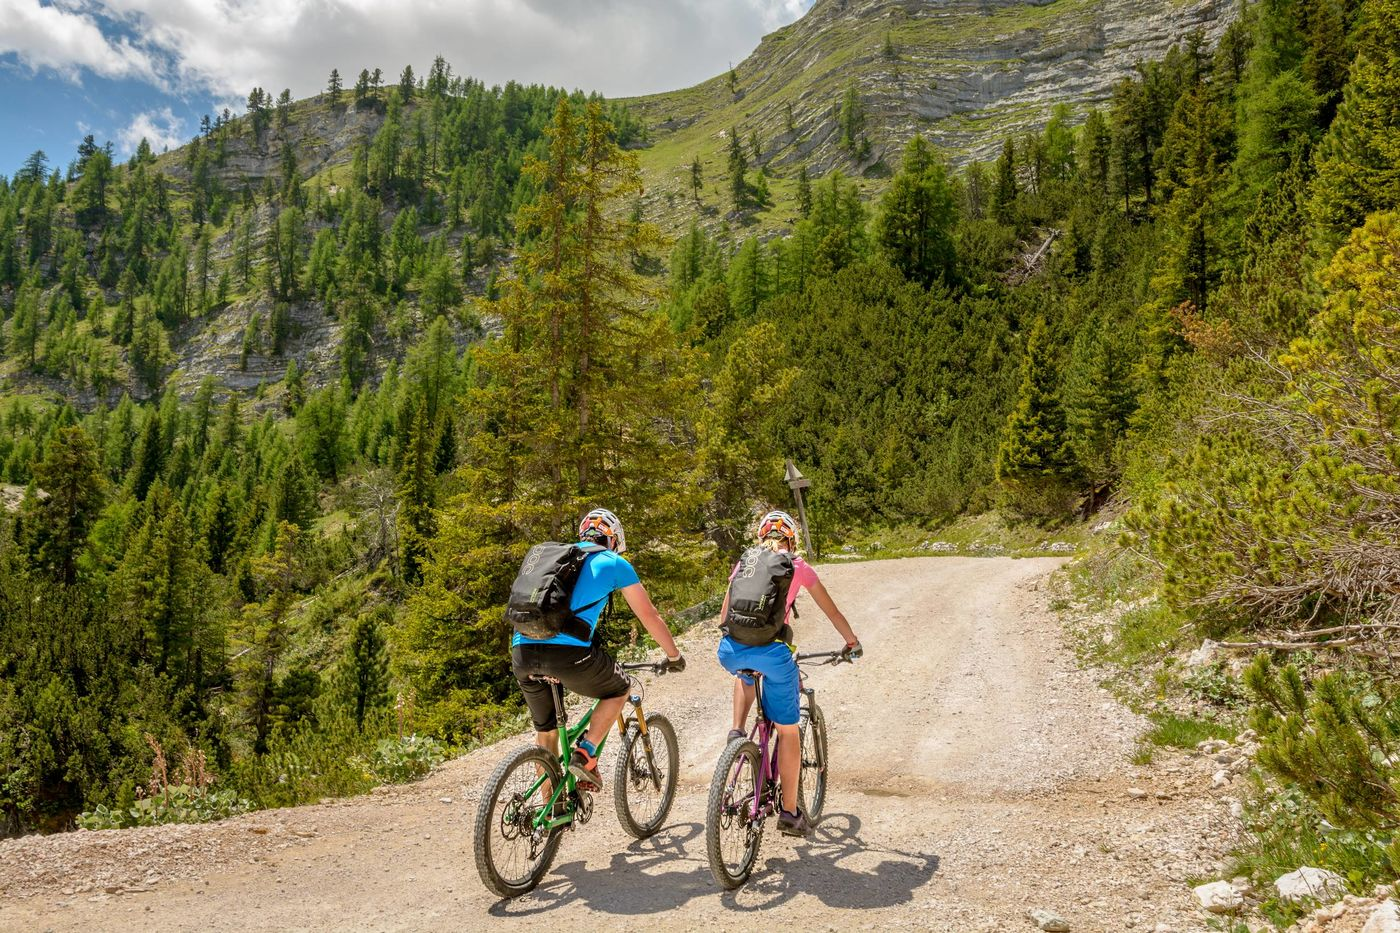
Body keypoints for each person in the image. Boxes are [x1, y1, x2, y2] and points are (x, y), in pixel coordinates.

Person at [511, 508, 686, 792]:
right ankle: (587, 752)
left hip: (522, 650)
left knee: (546, 735)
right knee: (619, 688)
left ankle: (551, 814)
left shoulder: (558, 560)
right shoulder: (613, 562)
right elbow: (649, 616)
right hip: (568, 656)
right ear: (613, 540)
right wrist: (674, 655)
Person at [716, 509, 861, 837]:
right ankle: (791, 812)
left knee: (746, 669)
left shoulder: (746, 562)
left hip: (729, 650)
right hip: (773, 653)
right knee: (789, 730)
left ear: (760, 537)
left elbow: (724, 616)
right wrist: (851, 642)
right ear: (791, 540)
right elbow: (832, 611)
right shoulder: (798, 566)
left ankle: (737, 733)